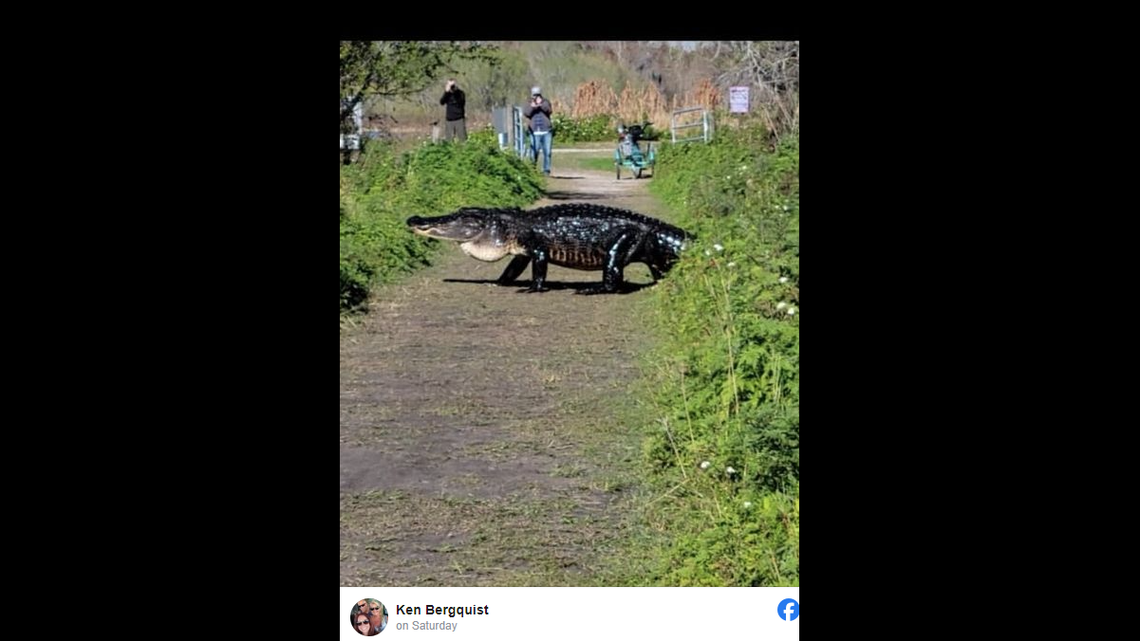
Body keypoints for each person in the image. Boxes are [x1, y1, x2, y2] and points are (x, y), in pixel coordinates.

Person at [523, 86, 553, 175]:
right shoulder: (529, 103)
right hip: (534, 131)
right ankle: (532, 169)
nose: (536, 97)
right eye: (534, 95)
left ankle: (546, 170)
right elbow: (526, 113)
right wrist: (533, 107)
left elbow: (549, 110)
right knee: (534, 152)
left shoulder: (545, 102)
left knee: (547, 152)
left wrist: (541, 104)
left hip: (546, 131)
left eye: (537, 95)